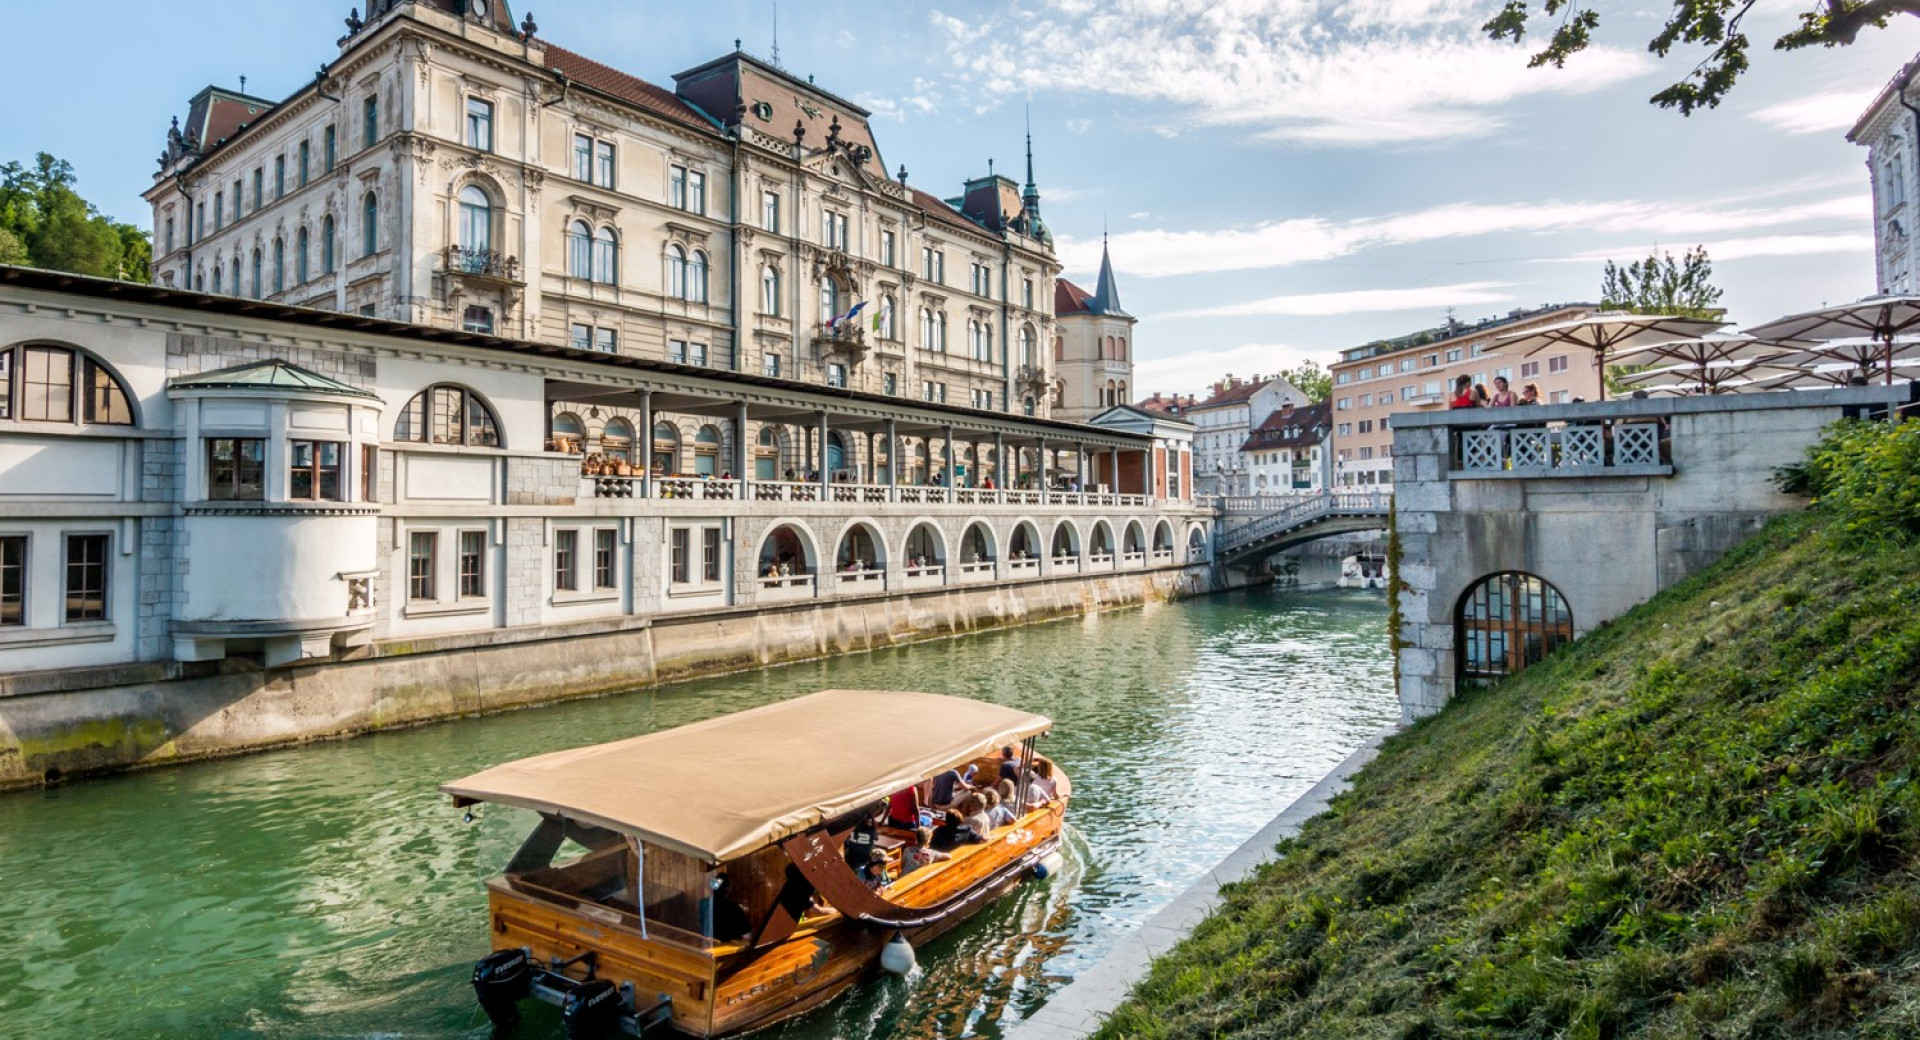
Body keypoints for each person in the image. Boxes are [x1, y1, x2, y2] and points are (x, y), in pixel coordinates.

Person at [709, 875, 752, 941]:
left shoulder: (704, 904)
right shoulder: (733, 908)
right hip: (728, 949)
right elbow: (747, 936)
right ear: (727, 888)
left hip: (706, 948)